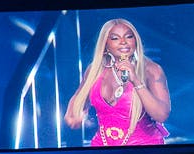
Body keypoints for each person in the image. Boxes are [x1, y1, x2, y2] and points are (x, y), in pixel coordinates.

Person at [62, 18, 170, 146]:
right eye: (115, 38)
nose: (123, 42)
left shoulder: (151, 70)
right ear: (105, 45)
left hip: (144, 146)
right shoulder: (94, 70)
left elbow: (162, 115)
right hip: (102, 145)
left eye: (129, 37)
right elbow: (78, 100)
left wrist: (136, 81)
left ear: (135, 41)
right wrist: (74, 115)